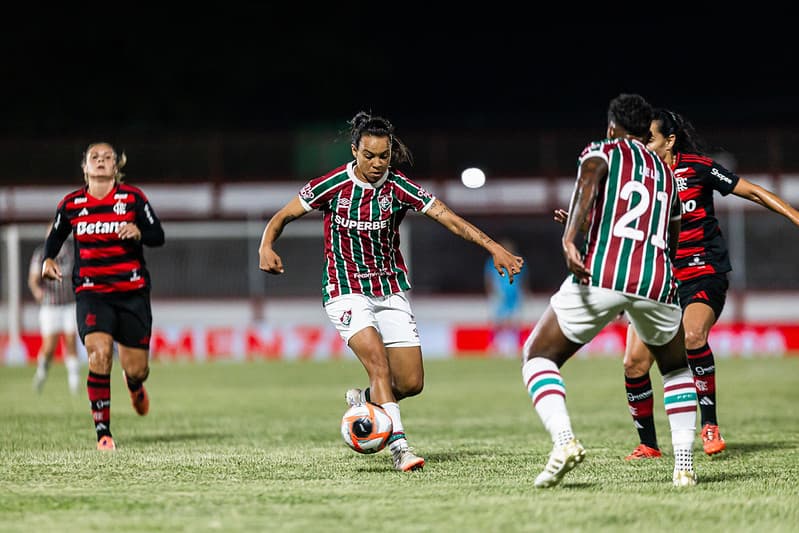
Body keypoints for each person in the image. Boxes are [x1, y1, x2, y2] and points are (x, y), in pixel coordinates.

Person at [259, 111, 524, 472]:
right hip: (344, 288)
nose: (376, 163)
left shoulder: (398, 187)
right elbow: (281, 216)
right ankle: (400, 447)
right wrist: (266, 246)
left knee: (411, 382)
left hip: (389, 289)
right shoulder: (331, 185)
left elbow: (447, 216)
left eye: (383, 156)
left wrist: (493, 247)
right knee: (378, 365)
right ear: (355, 150)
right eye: (369, 155)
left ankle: (364, 401)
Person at [521, 93, 698, 488]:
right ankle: (684, 466)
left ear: (612, 126)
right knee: (675, 368)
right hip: (658, 279)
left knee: (537, 355)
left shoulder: (602, 150)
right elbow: (671, 233)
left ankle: (564, 441)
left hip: (603, 273)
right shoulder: (668, 173)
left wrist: (570, 238)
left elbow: (587, 184)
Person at [620, 109, 799, 460]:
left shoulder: (699, 168)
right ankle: (649, 445)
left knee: (691, 337)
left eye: (649, 139)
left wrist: (794, 215)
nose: (642, 146)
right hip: (657, 278)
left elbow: (752, 192)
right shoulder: (636, 178)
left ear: (669, 141)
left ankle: (710, 425)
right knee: (633, 364)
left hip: (703, 272)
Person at [42, 142, 165, 451]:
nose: (100, 161)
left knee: (138, 368)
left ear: (116, 167)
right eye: (94, 157)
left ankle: (134, 384)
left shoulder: (133, 198)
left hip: (132, 294)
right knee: (99, 354)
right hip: (91, 293)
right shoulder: (71, 204)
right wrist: (48, 259)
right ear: (85, 167)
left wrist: (138, 231)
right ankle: (103, 433)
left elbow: (158, 235)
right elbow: (56, 235)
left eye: (106, 157)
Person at [28, 224, 80, 394]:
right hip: (50, 306)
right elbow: (33, 278)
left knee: (71, 341)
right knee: (49, 346)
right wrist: (37, 290)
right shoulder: (41, 253)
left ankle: (75, 383)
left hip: (69, 304)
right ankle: (41, 373)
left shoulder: (70, 252)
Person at [484, 238, 527, 355]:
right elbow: (489, 278)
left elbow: (523, 279)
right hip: (500, 295)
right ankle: (493, 345)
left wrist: (524, 292)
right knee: (497, 322)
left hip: (514, 296)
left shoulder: (518, 261)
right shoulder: (492, 261)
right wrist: (492, 293)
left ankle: (518, 346)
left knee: (515, 322)